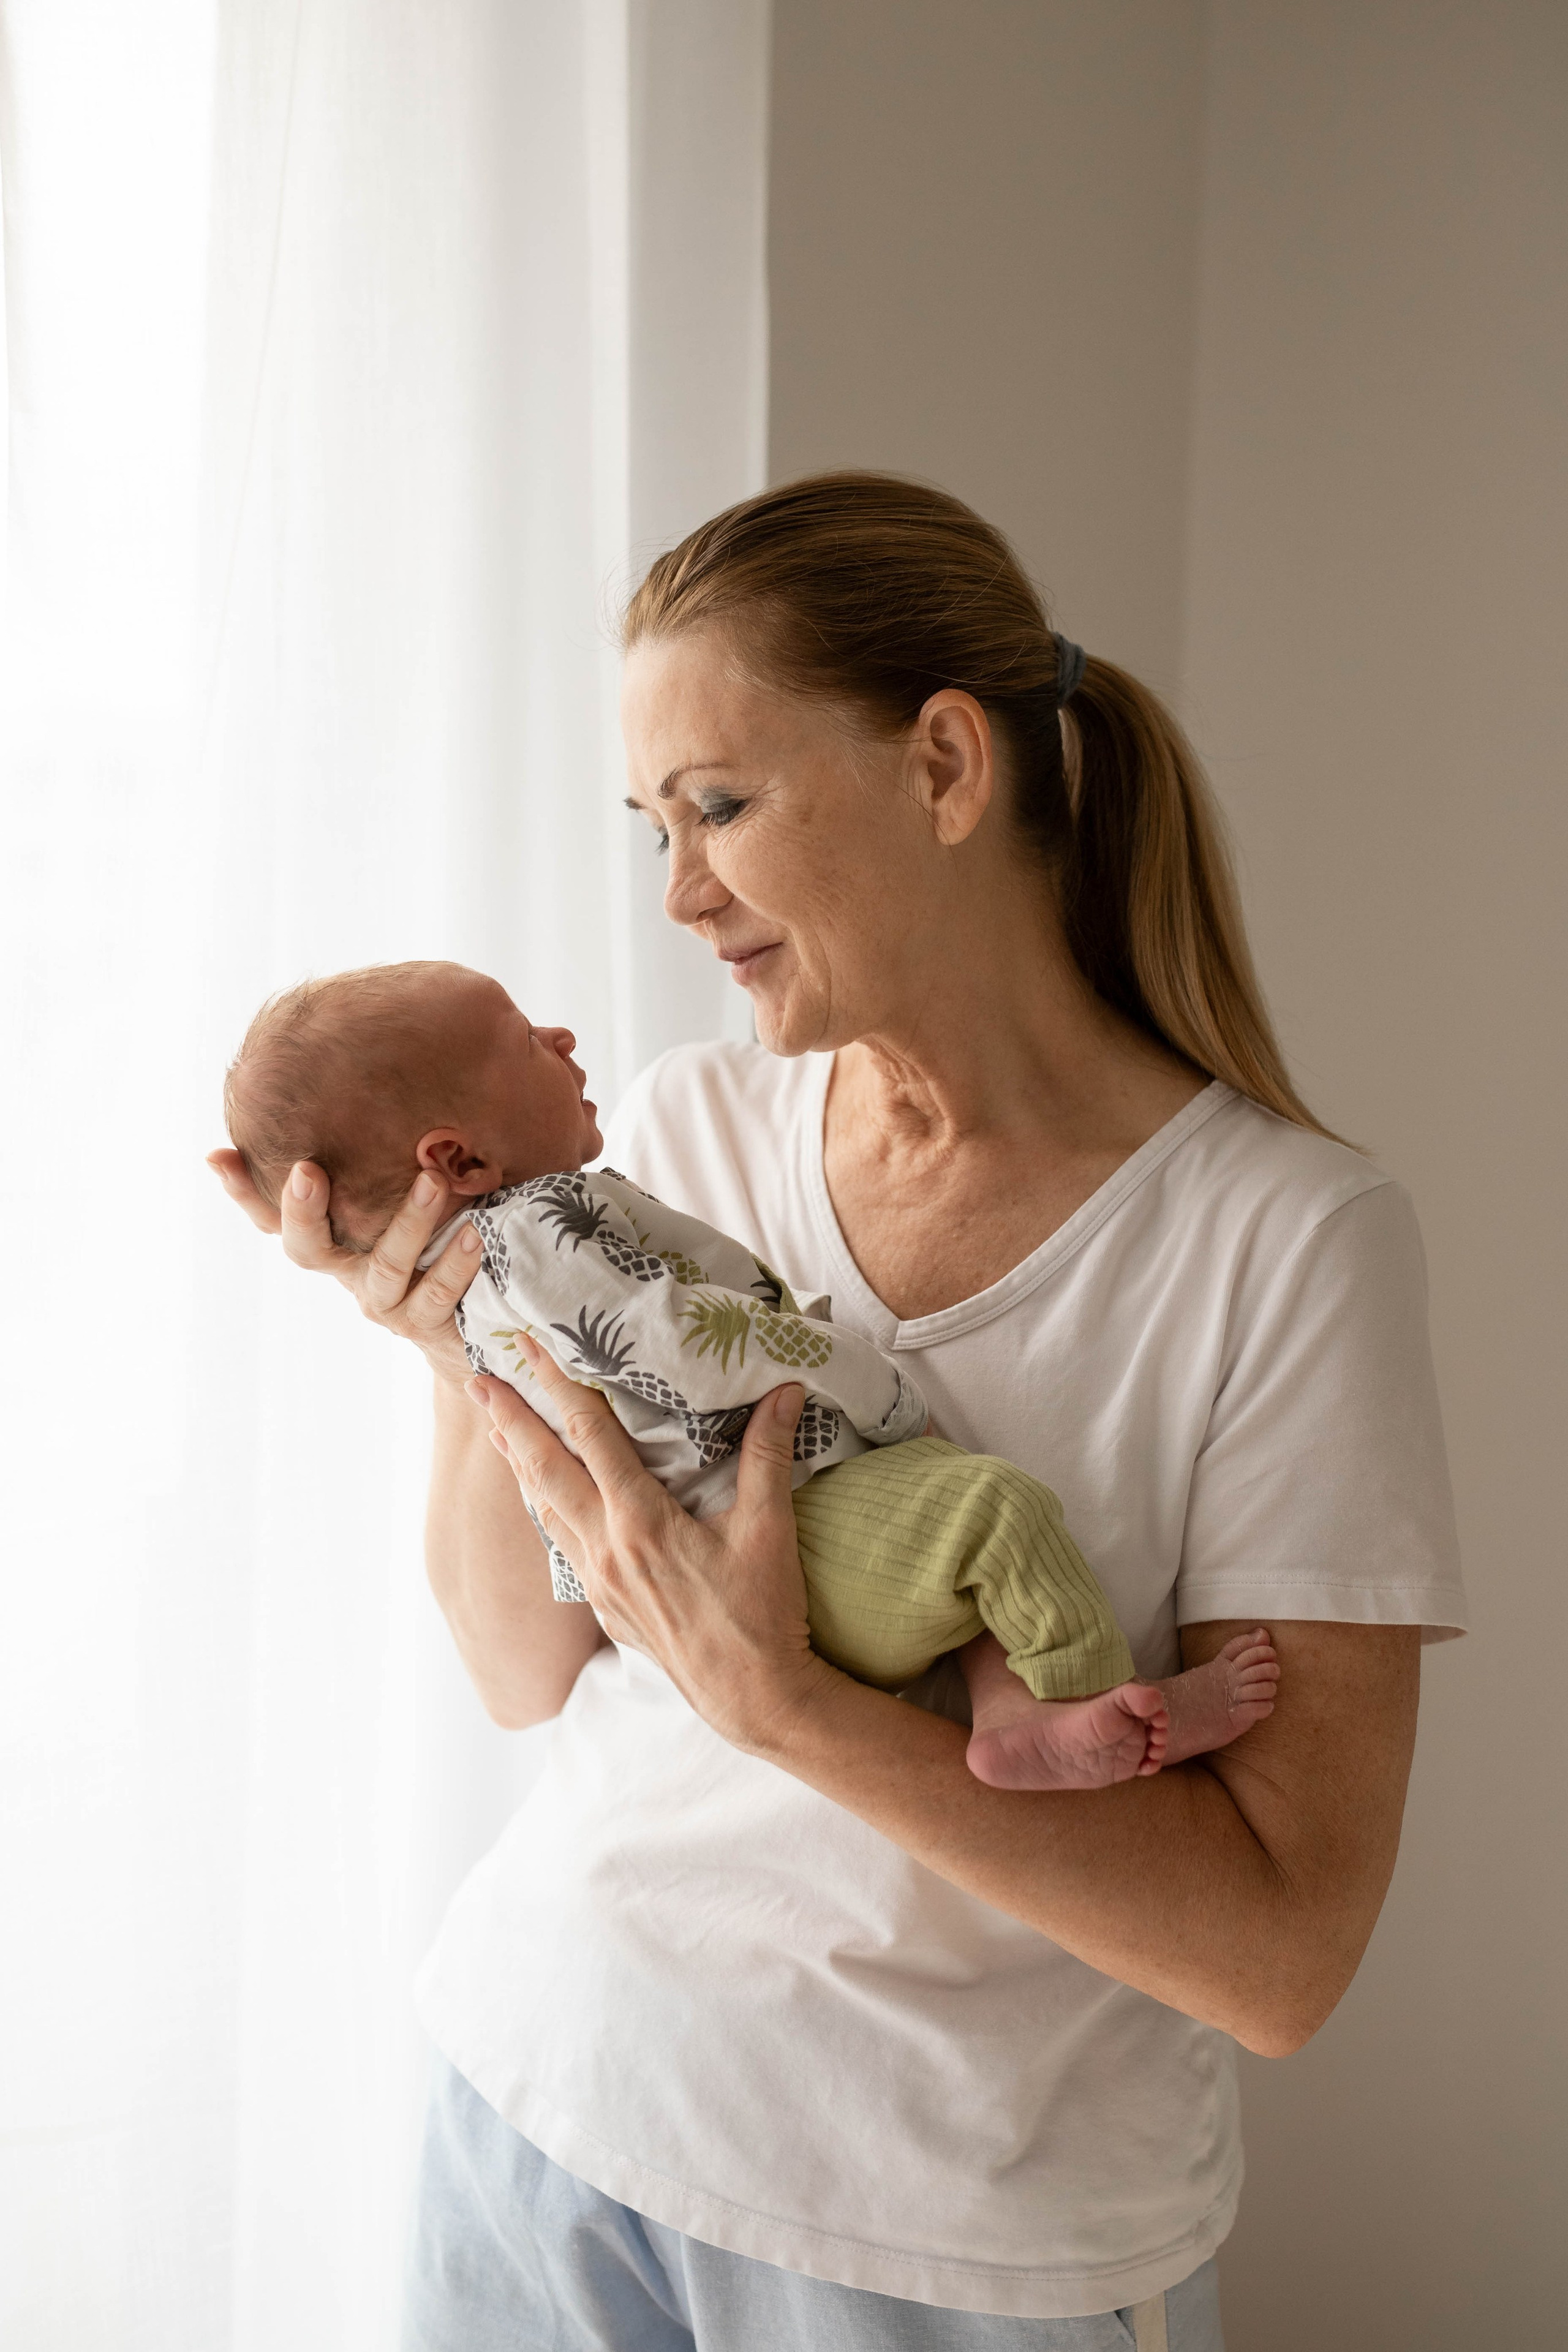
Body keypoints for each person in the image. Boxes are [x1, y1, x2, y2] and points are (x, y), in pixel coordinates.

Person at [211, 473, 1466, 2351]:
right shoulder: (670, 1140)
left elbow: (1277, 1960)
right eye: (649, 825)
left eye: (718, 805)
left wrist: (788, 1710)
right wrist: (452, 1348)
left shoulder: (1285, 1243)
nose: (676, 891)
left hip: (943, 2244)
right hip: (537, 2104)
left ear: (946, 767)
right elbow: (521, 1667)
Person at [221, 957, 1281, 1788]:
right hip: (777, 1523)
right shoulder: (537, 1232)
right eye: (521, 1040)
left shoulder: (1289, 1226)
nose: (562, 1036)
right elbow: (683, 1349)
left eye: (720, 806)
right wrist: (862, 1379)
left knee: (967, 1553)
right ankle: (1075, 1703)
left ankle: (1017, 1715)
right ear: (456, 1163)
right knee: (995, 1514)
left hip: (756, 1569)